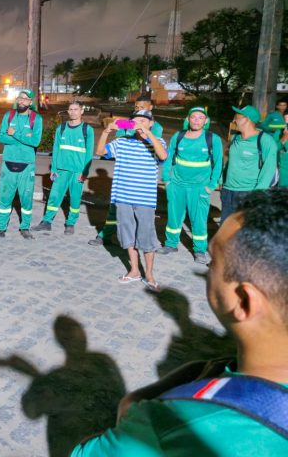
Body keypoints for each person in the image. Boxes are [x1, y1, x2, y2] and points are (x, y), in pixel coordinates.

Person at [71, 188, 288, 456]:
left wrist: (134, 404)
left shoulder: (171, 424)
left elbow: (86, 452)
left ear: (243, 301)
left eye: (213, 262)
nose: (208, 271)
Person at [95, 110, 167, 291]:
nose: (137, 124)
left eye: (143, 120)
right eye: (134, 121)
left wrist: (146, 132)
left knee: (147, 237)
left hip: (145, 200)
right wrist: (106, 132)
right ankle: (134, 270)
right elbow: (100, 151)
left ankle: (149, 274)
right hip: (123, 198)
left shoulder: (157, 141)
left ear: (151, 123)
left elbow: (163, 156)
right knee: (128, 236)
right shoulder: (123, 141)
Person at [89, 95, 164, 247]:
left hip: (142, 179)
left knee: (142, 219)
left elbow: (158, 149)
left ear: (150, 108)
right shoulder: (129, 122)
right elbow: (115, 141)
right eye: (136, 107)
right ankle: (107, 234)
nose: (138, 110)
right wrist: (115, 129)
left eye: (142, 107)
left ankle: (142, 242)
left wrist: (143, 130)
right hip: (124, 173)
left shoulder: (156, 126)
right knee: (115, 211)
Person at [158, 107, 224, 265]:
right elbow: (168, 158)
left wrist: (211, 186)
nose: (196, 120)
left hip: (200, 187)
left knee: (199, 220)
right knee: (174, 216)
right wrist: (167, 180)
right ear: (188, 119)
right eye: (193, 117)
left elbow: (219, 163)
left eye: (200, 118)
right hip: (177, 185)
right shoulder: (178, 136)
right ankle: (171, 244)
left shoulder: (212, 138)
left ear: (206, 121)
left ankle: (199, 250)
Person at [0, 89, 43, 240]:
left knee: (26, 198)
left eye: (25, 99)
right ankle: (0, 228)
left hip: (27, 164)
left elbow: (35, 141)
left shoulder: (36, 118)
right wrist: (24, 137)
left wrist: (15, 134)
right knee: (4, 198)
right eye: (20, 98)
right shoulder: (9, 115)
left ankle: (25, 227)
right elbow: (2, 137)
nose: (21, 101)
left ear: (30, 102)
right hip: (8, 163)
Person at [33, 101, 94, 234]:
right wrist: (54, 169)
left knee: (75, 197)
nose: (73, 112)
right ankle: (47, 221)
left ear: (81, 111)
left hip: (77, 171)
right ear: (68, 111)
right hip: (61, 170)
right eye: (70, 109)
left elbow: (89, 154)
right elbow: (56, 150)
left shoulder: (87, 130)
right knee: (54, 196)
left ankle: (71, 223)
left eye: (76, 109)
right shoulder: (61, 128)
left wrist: (85, 172)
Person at [219, 105, 278, 224]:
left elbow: (268, 168)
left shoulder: (265, 140)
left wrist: (258, 194)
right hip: (228, 191)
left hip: (248, 192)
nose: (235, 120)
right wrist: (221, 181)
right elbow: (230, 162)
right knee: (226, 231)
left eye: (237, 117)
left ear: (247, 119)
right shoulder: (235, 137)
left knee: (245, 232)